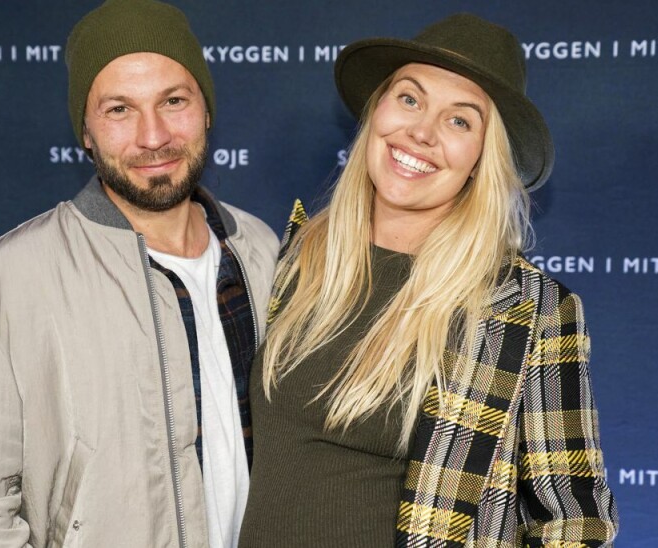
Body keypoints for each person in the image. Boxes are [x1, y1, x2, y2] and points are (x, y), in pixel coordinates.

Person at [239, 13, 617, 548]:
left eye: (460, 121)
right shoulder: (299, 257)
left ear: (483, 158)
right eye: (410, 99)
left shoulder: (526, 310)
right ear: (376, 111)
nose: (421, 132)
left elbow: (577, 524)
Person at [0, 0, 278, 546]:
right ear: (85, 129)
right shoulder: (3, 283)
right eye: (119, 110)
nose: (153, 136)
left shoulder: (263, 249)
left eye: (173, 101)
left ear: (206, 110)